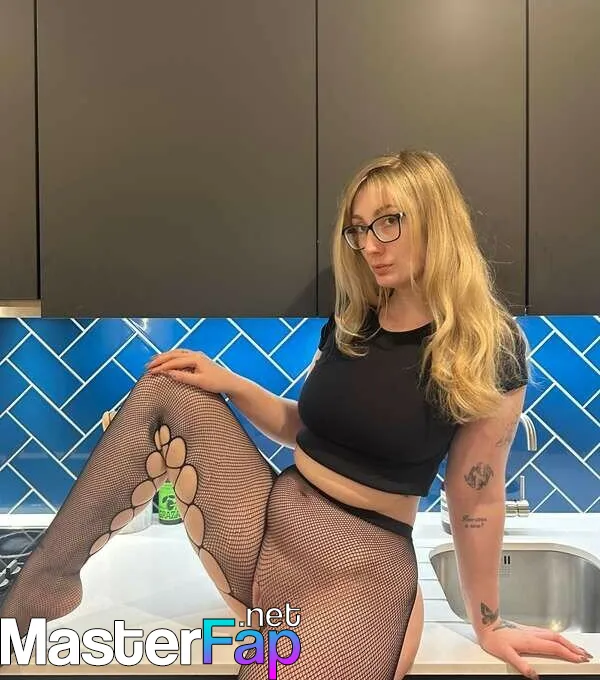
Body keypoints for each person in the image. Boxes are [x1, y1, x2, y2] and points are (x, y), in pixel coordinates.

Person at [0, 150, 593, 679]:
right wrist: (231, 384)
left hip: (357, 568)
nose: (370, 244)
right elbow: (306, 430)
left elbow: (476, 497)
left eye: (389, 221)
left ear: (436, 221)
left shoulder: (487, 346)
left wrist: (489, 623)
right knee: (170, 391)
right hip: (268, 527)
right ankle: (38, 592)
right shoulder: (356, 319)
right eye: (359, 229)